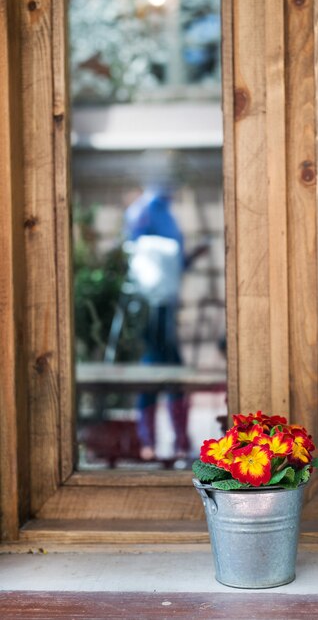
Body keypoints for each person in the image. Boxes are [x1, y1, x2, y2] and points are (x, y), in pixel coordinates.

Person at [124, 187, 207, 461]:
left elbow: (170, 264)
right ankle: (159, 442)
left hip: (162, 305)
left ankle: (165, 442)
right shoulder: (148, 212)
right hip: (153, 307)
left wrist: (191, 256)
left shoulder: (157, 213)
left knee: (165, 371)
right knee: (160, 370)